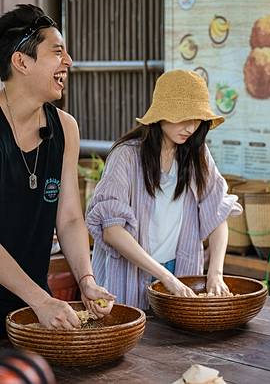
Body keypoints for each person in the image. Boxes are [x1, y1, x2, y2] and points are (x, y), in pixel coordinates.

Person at [0, 4, 115, 338]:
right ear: (22, 61)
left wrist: (86, 280)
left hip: (27, 304)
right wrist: (41, 300)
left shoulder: (65, 127)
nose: (68, 62)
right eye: (57, 52)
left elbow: (69, 218)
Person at [86, 69, 241, 309]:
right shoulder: (126, 156)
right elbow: (112, 231)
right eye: (183, 116)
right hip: (132, 274)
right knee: (134, 337)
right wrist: (165, 278)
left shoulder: (196, 154)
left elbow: (218, 213)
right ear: (161, 114)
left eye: (197, 118)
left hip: (180, 270)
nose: (191, 127)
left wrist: (215, 274)